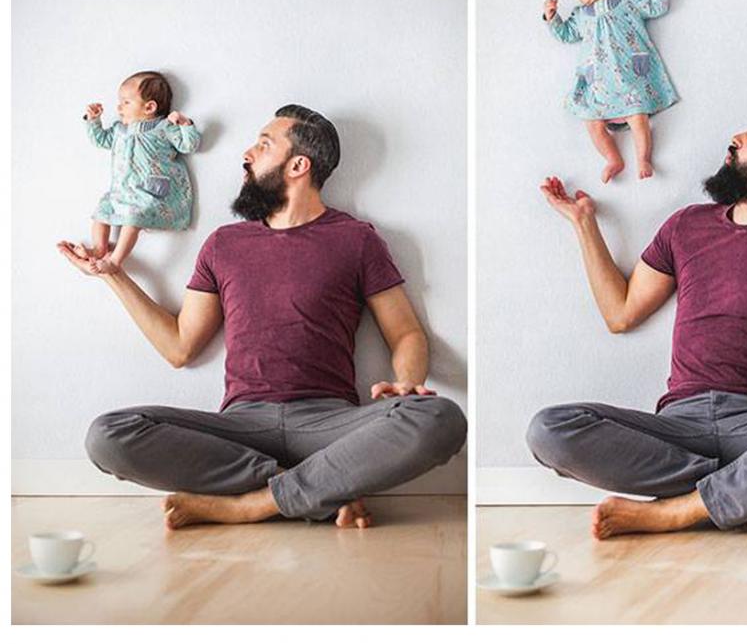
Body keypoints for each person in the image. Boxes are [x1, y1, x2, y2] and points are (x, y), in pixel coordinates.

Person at [57, 104, 466, 530]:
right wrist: (113, 274)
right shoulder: (224, 244)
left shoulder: (356, 239)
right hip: (241, 428)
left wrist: (407, 382)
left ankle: (249, 506)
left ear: (298, 166)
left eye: (264, 145)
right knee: (108, 434)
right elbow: (180, 348)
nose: (247, 154)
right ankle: (314, 492)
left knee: (440, 418)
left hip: (329, 424)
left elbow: (406, 333)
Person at [529, 103, 747, 540]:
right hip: (678, 426)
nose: (738, 137)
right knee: (549, 430)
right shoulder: (686, 226)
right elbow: (620, 314)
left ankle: (677, 511)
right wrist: (584, 223)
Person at [543, 0, 678, 182]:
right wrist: (552, 17)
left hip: (630, 79)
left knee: (638, 118)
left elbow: (658, 6)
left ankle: (643, 158)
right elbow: (566, 34)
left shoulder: (629, 1)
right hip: (597, 85)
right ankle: (613, 159)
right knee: (592, 122)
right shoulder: (581, 15)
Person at [82, 70, 201, 274]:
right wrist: (93, 121)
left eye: (126, 102)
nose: (119, 107)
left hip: (149, 192)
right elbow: (101, 140)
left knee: (133, 219)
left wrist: (185, 125)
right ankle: (100, 248)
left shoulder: (163, 128)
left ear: (149, 107)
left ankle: (115, 261)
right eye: (120, 102)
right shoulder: (119, 130)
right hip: (121, 190)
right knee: (101, 212)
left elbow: (188, 145)